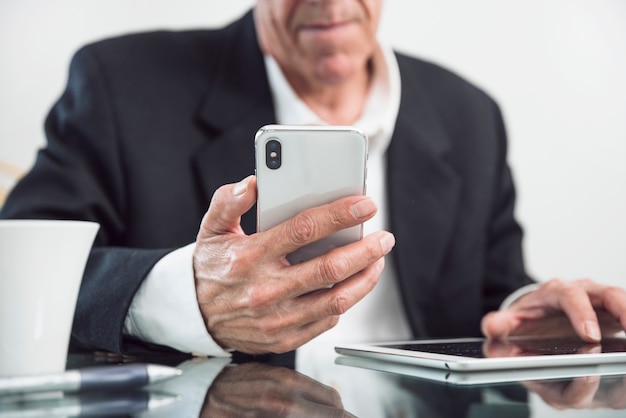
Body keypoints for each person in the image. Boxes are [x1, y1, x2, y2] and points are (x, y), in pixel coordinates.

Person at [2, 0, 625, 361]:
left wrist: (526, 313)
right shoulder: (122, 83)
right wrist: (182, 297)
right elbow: (17, 271)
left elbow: (493, 287)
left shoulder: (468, 113)